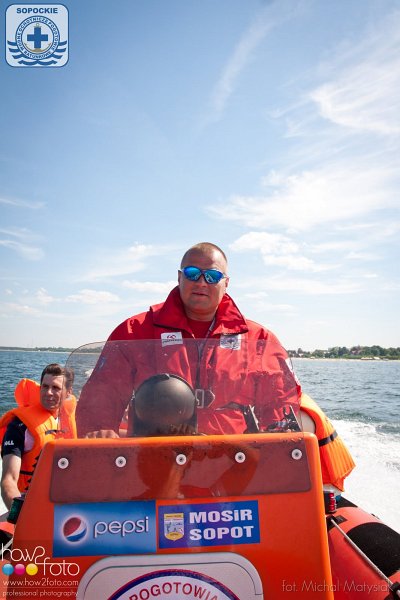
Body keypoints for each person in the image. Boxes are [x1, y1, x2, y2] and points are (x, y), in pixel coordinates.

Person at [76, 242, 355, 492]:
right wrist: (99, 430)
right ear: (179, 277)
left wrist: (274, 456)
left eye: (212, 276)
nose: (201, 282)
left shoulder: (259, 340)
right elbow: (103, 393)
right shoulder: (134, 331)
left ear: (226, 283)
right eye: (192, 273)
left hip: (234, 470)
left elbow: (279, 406)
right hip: (153, 469)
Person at [0, 364, 76, 510]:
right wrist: (21, 515)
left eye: (56, 388)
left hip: (64, 502)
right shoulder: (20, 426)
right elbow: (9, 481)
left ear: (68, 392)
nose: (48, 392)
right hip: (29, 504)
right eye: (45, 386)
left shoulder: (73, 418)